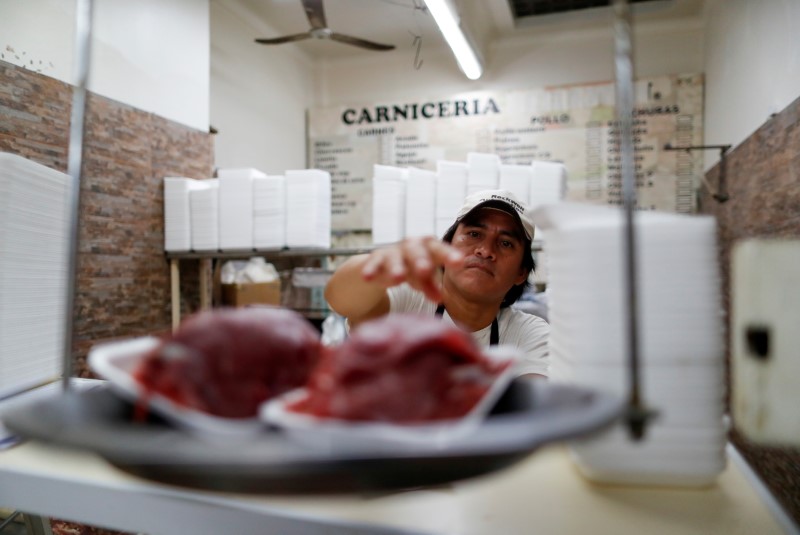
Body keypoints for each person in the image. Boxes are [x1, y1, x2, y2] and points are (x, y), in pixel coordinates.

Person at [324, 189, 550, 378]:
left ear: (521, 272)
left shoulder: (529, 334)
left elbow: (536, 409)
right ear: (447, 246)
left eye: (505, 243)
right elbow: (341, 301)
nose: (485, 250)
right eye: (474, 234)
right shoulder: (409, 300)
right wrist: (376, 265)